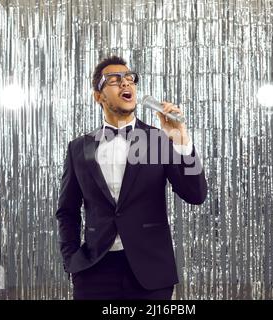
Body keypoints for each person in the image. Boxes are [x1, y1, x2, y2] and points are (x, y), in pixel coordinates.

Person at [55, 56, 207, 300]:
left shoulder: (158, 139)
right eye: (114, 80)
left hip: (151, 273)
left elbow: (196, 194)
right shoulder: (78, 148)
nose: (125, 83)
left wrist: (181, 141)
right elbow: (67, 211)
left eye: (130, 78)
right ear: (99, 96)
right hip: (94, 272)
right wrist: (72, 260)